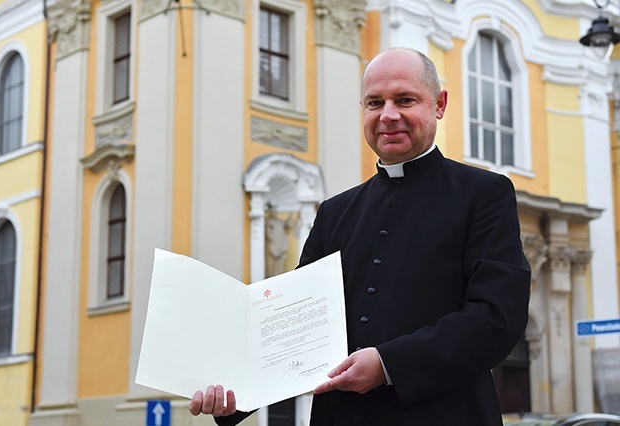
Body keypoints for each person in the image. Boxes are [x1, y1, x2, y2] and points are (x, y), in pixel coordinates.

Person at [188, 47, 531, 425]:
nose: (388, 115)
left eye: (404, 100)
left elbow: (496, 317)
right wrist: (236, 394)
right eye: (374, 103)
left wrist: (388, 365)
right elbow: (297, 326)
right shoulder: (334, 213)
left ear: (439, 104)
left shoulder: (483, 194)